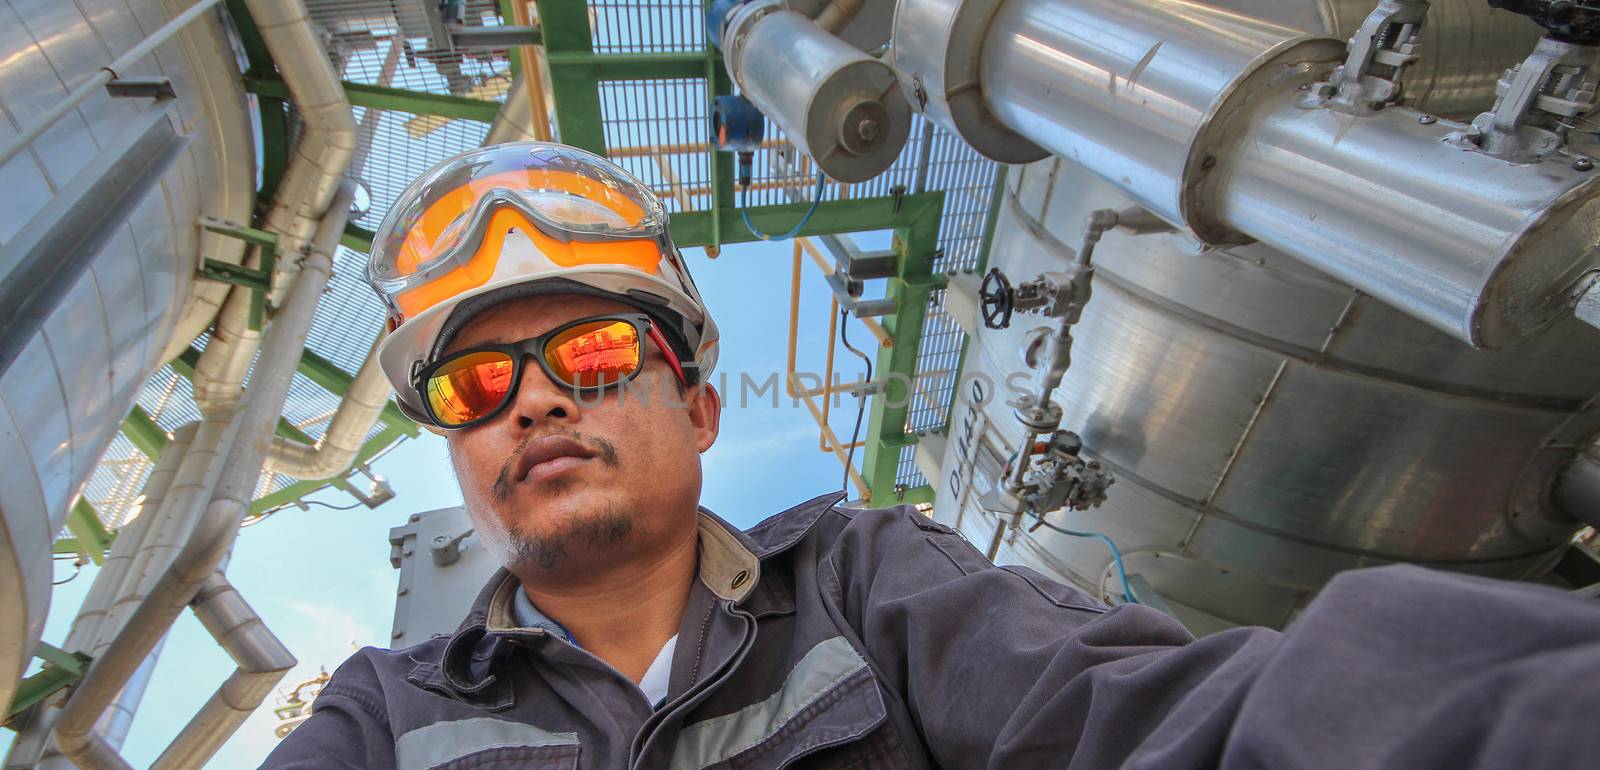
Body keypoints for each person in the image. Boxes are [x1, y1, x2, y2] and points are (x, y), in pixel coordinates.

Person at [263, 142, 1600, 769]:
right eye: (483, 381)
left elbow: (1144, 725)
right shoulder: (384, 714)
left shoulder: (869, 583)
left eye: (599, 361)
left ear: (703, 411)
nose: (539, 404)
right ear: (456, 446)